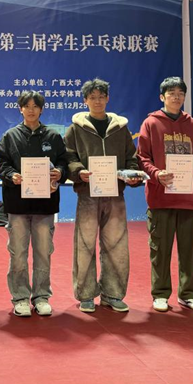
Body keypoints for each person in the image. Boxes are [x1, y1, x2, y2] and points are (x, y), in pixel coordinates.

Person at [137, 77, 193, 313]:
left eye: (180, 93)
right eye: (171, 93)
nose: (176, 97)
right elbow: (142, 158)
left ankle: (188, 294)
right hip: (161, 198)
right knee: (160, 250)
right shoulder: (151, 123)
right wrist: (156, 173)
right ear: (162, 97)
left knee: (189, 251)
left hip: (189, 200)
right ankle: (160, 294)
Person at [64, 78, 142, 314]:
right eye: (92, 97)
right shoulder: (75, 129)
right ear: (85, 100)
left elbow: (131, 157)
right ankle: (86, 294)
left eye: (101, 97)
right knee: (84, 244)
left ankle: (113, 294)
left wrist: (131, 173)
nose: (97, 101)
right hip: (87, 194)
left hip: (115, 194)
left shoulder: (120, 128)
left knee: (117, 245)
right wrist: (79, 172)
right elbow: (68, 157)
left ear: (108, 98)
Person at [0, 91, 68, 317]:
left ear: (41, 109)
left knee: (43, 252)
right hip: (17, 206)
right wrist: (11, 175)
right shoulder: (10, 136)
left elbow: (64, 162)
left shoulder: (53, 136)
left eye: (36, 106)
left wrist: (59, 172)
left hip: (45, 206)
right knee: (18, 253)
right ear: (20, 109)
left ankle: (42, 296)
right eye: (27, 106)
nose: (31, 110)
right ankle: (20, 298)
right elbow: (0, 163)